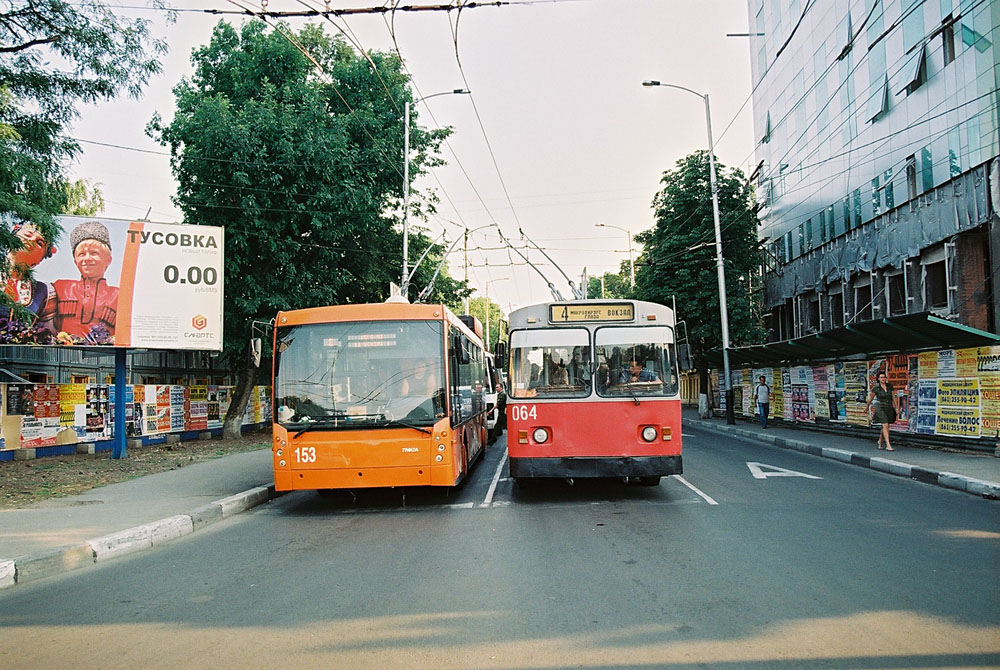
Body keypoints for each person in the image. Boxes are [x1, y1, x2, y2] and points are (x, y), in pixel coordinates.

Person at [48, 221, 119, 343]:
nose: (87, 259)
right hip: (63, 358)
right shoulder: (60, 288)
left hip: (106, 358)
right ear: (75, 261)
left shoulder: (120, 296)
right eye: (81, 254)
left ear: (108, 260)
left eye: (94, 253)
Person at [2, 221, 57, 332]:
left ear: (39, 260)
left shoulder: (43, 291)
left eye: (39, 243)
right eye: (27, 234)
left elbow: (46, 334)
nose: (31, 240)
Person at [865, 371, 899, 450]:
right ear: (878, 379)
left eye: (884, 377)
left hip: (889, 407)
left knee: (886, 426)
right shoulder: (876, 388)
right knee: (885, 424)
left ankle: (880, 441)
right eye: (881, 377)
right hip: (880, 406)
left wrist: (896, 408)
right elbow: (871, 399)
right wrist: (866, 408)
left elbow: (894, 398)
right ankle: (888, 445)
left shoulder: (889, 386)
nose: (883, 379)